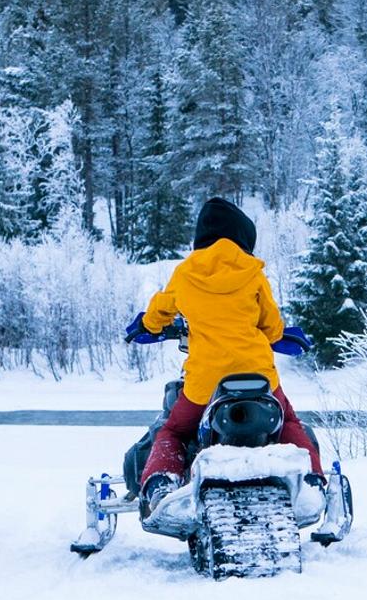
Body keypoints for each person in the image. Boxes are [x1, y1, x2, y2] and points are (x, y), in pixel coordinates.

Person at [127, 197, 320, 515]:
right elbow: (271, 327)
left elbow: (160, 311)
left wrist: (147, 325)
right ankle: (312, 482)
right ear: (243, 238)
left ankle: (161, 482)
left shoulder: (186, 272)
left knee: (174, 430)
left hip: (205, 384)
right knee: (288, 422)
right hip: (258, 380)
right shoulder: (253, 272)